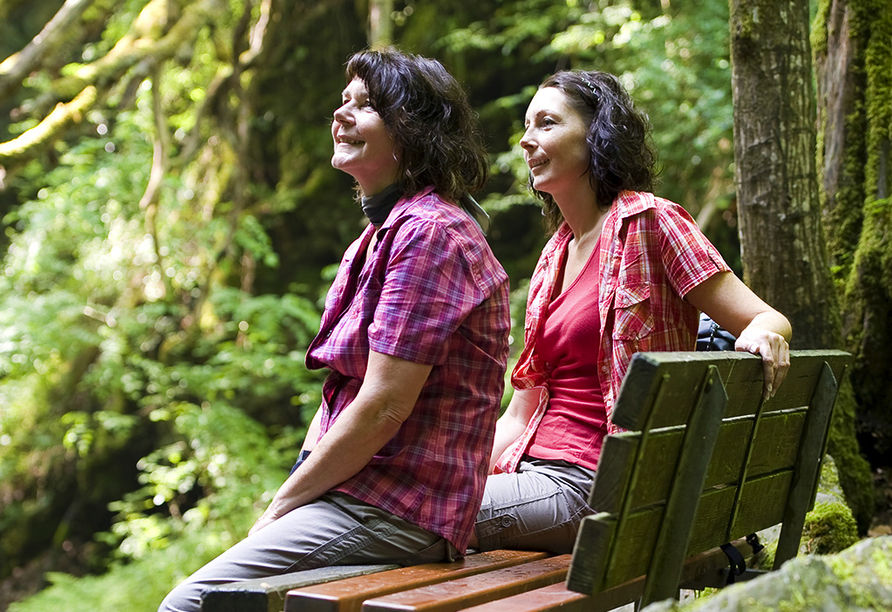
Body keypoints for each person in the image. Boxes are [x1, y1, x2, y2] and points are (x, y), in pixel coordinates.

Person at [159, 48, 511, 612]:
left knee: (193, 604)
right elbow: (340, 398)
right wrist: (298, 491)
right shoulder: (381, 236)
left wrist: (280, 507)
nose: (341, 115)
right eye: (343, 102)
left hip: (399, 508)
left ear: (412, 133)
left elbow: (383, 407)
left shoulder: (432, 235)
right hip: (362, 499)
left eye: (366, 106)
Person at [471, 70, 791, 555]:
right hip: (530, 474)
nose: (526, 139)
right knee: (420, 504)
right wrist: (450, 471)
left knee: (430, 517)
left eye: (547, 123)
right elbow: (521, 413)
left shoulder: (652, 221)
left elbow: (766, 317)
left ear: (597, 133)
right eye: (526, 125)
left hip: (599, 483)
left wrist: (765, 334)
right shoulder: (553, 256)